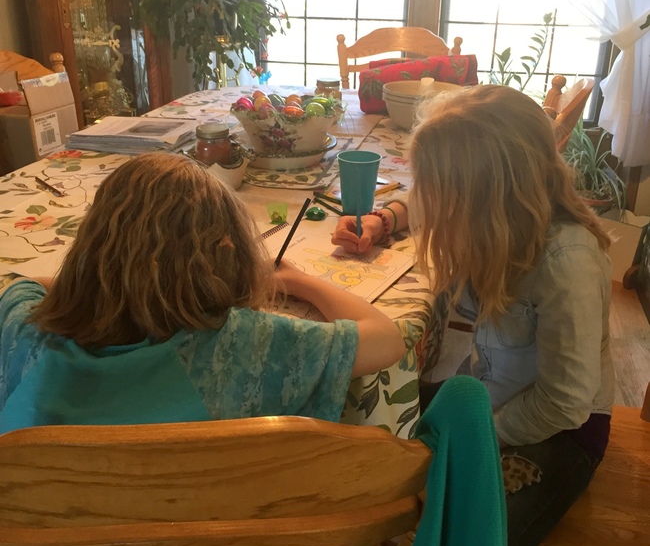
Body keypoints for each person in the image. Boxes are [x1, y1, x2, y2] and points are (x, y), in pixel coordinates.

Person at [332, 84, 614, 546]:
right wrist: (383, 219)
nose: (430, 201)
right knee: (365, 435)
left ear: (487, 194)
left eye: (441, 189)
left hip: (559, 434)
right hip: (488, 400)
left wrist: (473, 439)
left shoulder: (566, 262)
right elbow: (421, 202)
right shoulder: (492, 215)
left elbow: (565, 403)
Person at [0, 152, 405, 434]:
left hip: (38, 536)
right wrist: (299, 281)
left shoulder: (21, 328)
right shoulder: (241, 346)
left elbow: (30, 283)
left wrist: (111, 277)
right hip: (212, 537)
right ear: (226, 256)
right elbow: (386, 338)